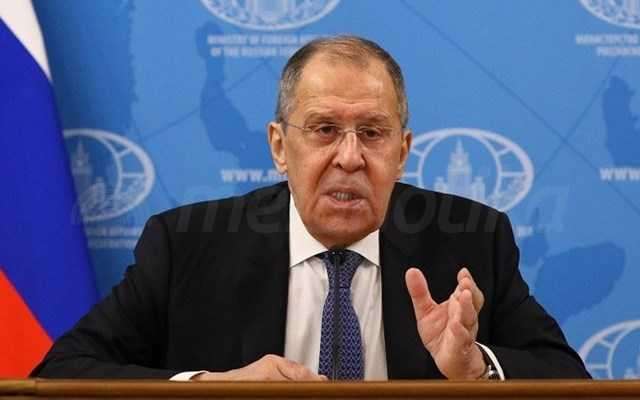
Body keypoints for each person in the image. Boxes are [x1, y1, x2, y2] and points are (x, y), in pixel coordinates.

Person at [33, 35, 590, 381]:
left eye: (372, 132)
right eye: (324, 129)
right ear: (280, 146)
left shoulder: (471, 240)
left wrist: (476, 369)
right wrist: (212, 387)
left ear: (402, 152)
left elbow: (569, 380)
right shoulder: (188, 245)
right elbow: (60, 374)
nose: (349, 157)